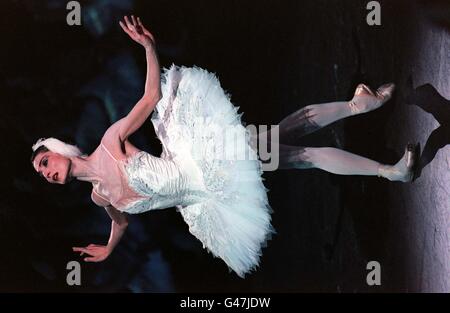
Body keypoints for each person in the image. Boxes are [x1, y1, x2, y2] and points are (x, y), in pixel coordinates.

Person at [31, 16, 417, 278]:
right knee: (288, 145)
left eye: (45, 161)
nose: (48, 172)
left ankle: (388, 166)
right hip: (207, 202)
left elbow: (149, 99)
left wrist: (149, 47)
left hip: (207, 158)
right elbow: (121, 220)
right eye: (43, 175)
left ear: (59, 149)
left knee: (298, 154)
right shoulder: (101, 197)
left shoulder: (109, 144)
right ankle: (360, 109)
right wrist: (110, 248)